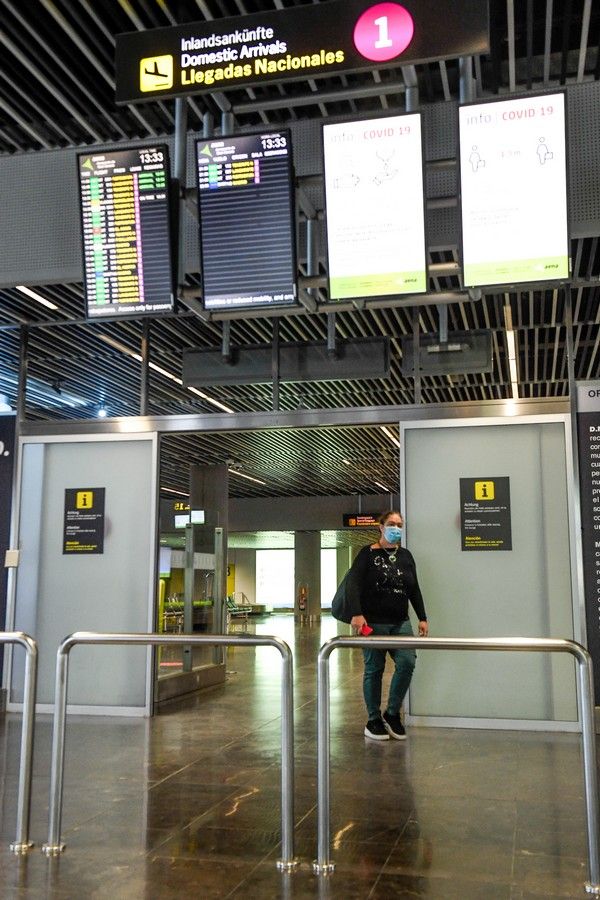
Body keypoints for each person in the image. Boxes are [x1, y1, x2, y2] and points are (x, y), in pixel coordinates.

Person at [346, 510, 428, 741]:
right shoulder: (367, 554)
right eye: (391, 524)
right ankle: (373, 719)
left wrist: (422, 616)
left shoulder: (406, 556)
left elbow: (414, 588)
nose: (396, 528)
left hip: (400, 622)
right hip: (373, 623)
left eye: (400, 524)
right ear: (381, 527)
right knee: (374, 669)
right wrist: (357, 614)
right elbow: (353, 585)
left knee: (407, 662)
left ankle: (392, 714)